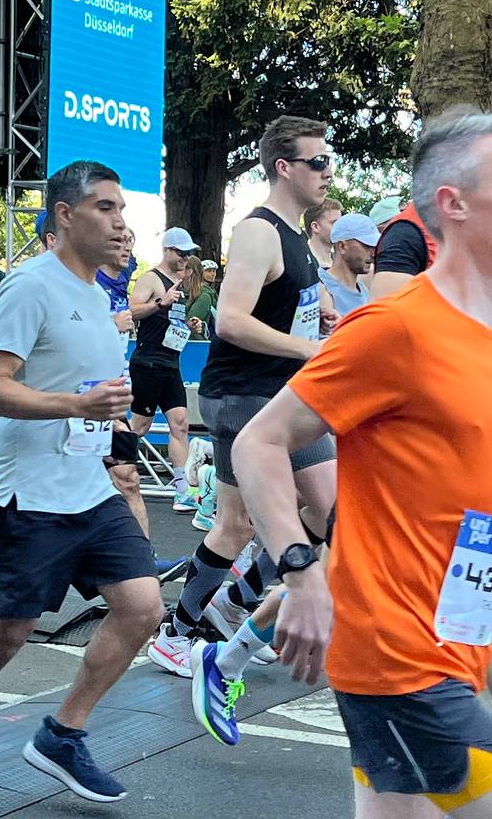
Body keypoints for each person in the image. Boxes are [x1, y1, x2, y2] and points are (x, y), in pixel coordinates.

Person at [225, 110, 492, 819]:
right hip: (397, 657)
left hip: (455, 643)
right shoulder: (394, 328)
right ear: (454, 206)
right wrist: (303, 573)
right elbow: (259, 442)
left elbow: (487, 483)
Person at [0, 163, 163, 810]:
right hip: (27, 497)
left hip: (88, 490)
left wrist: (103, 415)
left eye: (121, 209)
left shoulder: (96, 294)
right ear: (65, 216)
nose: (120, 221)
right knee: (6, 635)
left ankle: (62, 734)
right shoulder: (30, 286)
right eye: (105, 207)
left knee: (142, 609)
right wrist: (77, 408)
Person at [153, 117, 336, 670]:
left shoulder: (297, 238)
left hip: (280, 396)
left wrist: (321, 322)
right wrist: (308, 350)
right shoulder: (259, 231)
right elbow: (230, 321)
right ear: (285, 168)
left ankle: (233, 602)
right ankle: (175, 631)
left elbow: (292, 313)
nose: (330, 173)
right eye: (318, 162)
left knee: (333, 514)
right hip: (243, 395)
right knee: (238, 523)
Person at [124, 228, 201, 504]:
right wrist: (160, 302)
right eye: (181, 253)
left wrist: (189, 326)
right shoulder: (151, 279)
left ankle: (182, 489)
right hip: (148, 362)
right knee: (140, 427)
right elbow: (131, 310)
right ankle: (115, 472)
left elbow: (171, 322)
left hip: (170, 363)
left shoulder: (178, 283)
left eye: (189, 254)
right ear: (167, 250)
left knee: (180, 424)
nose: (185, 259)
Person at [322, 213, 380, 322]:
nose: (373, 253)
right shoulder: (319, 286)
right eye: (367, 246)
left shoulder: (363, 290)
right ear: (342, 246)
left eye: (375, 247)